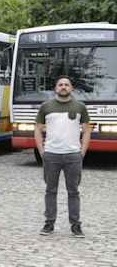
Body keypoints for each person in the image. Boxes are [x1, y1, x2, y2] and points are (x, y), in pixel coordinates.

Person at [34, 75, 90, 238]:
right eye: (60, 84)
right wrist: (42, 152)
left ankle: (76, 225)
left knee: (73, 191)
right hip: (51, 155)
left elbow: (86, 131)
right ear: (55, 88)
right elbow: (37, 129)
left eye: (67, 84)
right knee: (50, 190)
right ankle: (49, 223)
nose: (63, 87)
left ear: (72, 88)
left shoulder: (80, 107)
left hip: (73, 155)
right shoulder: (46, 106)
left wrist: (82, 153)